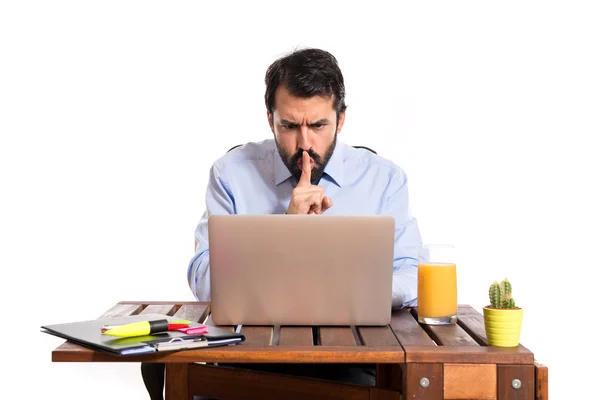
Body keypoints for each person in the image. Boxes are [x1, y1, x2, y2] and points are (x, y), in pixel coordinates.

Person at [142, 47, 424, 399]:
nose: (304, 144)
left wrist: (345, 293)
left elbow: (412, 271)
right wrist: (288, 230)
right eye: (289, 126)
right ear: (269, 119)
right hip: (243, 355)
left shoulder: (383, 180)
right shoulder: (231, 174)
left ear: (341, 119)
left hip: (351, 358)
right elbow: (203, 277)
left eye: (318, 125)